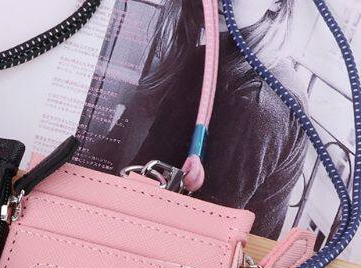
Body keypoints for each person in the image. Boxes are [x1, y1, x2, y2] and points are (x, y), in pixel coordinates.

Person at [100, 0, 308, 239]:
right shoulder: (205, 61)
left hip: (167, 247)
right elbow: (145, 167)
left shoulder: (255, 102)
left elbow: (195, 238)